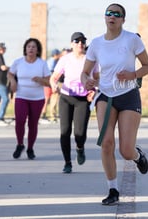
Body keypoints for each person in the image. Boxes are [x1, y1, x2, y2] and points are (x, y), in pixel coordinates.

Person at [81, 3, 148, 205]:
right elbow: (85, 72)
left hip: (128, 95)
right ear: (105, 17)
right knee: (106, 143)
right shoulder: (96, 43)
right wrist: (86, 80)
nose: (112, 16)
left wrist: (133, 75)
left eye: (117, 14)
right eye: (109, 13)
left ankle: (138, 155)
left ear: (123, 19)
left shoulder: (132, 40)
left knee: (125, 151)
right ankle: (113, 189)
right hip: (105, 96)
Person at [50, 32, 95, 174]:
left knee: (79, 133)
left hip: (82, 99)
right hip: (66, 97)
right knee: (65, 131)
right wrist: (53, 86)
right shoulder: (65, 59)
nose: (80, 44)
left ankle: (80, 148)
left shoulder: (90, 60)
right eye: (76, 41)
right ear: (71, 44)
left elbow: (97, 78)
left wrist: (94, 91)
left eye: (82, 41)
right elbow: (54, 78)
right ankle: (67, 162)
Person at [7, 38, 51, 160]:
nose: (31, 49)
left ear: (37, 50)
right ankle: (20, 144)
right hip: (21, 96)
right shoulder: (18, 62)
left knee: (33, 124)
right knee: (20, 121)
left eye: (33, 47)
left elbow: (49, 82)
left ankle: (30, 148)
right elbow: (10, 74)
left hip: (37, 98)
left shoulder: (42, 64)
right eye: (28, 47)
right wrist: (12, 81)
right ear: (25, 49)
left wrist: (40, 80)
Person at [41, 49, 62, 123]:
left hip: (51, 82)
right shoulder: (51, 61)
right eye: (58, 54)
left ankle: (51, 115)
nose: (59, 55)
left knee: (52, 98)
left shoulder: (55, 61)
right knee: (46, 99)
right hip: (48, 82)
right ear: (55, 55)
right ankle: (43, 115)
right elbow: (50, 72)